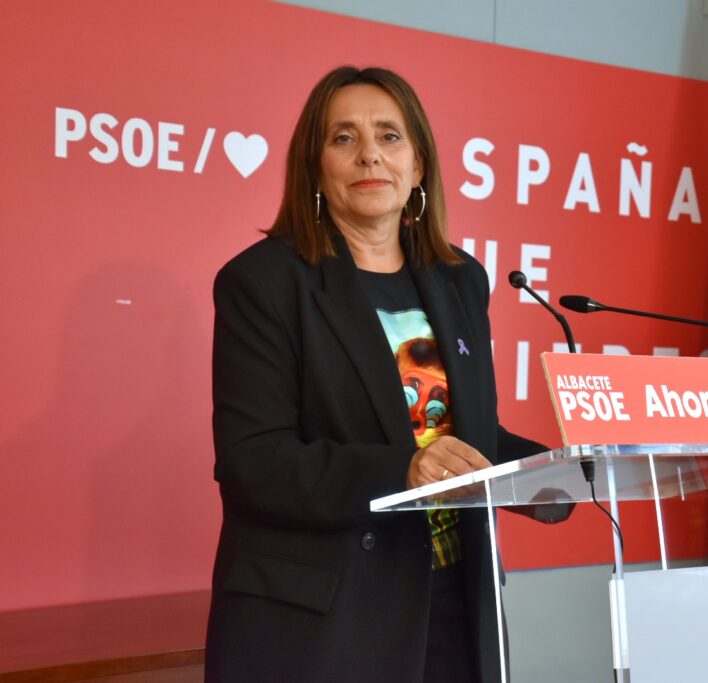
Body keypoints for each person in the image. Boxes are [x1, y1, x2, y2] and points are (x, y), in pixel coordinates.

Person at [204, 66, 553, 682]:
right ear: (315, 168)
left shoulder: (460, 279)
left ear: (419, 166)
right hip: (328, 620)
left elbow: (465, 436)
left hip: (455, 600)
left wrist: (563, 468)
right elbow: (254, 463)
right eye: (344, 138)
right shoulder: (263, 283)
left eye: (390, 136)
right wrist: (402, 472)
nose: (370, 154)